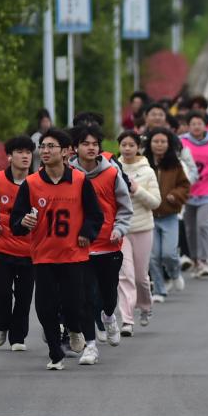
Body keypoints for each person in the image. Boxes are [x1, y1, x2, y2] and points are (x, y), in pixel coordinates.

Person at [10, 128, 104, 371]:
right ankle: (55, 353)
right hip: (43, 256)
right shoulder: (31, 183)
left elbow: (95, 214)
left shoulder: (80, 180)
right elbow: (16, 222)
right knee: (45, 307)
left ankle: (75, 328)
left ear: (65, 152)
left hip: (73, 254)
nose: (45, 151)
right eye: (42, 146)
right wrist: (23, 222)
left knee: (75, 304)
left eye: (51, 146)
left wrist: (86, 232)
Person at [74, 124, 132, 358]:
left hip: (109, 243)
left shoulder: (111, 173)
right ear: (75, 148)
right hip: (81, 246)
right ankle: (90, 346)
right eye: (85, 143)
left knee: (108, 295)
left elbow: (125, 206)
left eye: (94, 144)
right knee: (86, 297)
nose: (90, 148)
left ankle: (109, 316)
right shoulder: (70, 175)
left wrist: (119, 228)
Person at [0, 136, 36, 351]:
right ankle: (1, 325)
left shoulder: (36, 183)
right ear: (9, 156)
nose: (25, 156)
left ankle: (18, 337)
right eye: (20, 152)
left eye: (28, 152)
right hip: (0, 247)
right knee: (1, 293)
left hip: (29, 249)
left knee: (24, 296)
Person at [115, 129, 161, 329]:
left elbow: (155, 202)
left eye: (131, 145)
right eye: (123, 145)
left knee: (141, 277)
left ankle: (145, 306)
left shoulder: (147, 171)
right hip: (121, 230)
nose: (127, 149)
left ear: (138, 147)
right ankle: (127, 319)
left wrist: (137, 190)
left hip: (143, 229)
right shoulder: (113, 169)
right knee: (125, 275)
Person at [147, 128, 190, 300]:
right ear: (149, 144)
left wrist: (175, 195)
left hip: (170, 215)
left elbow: (185, 186)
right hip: (148, 216)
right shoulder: (143, 163)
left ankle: (174, 272)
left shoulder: (175, 164)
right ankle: (159, 290)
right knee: (153, 256)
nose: (159, 145)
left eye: (163, 141)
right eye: (155, 141)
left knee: (169, 254)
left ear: (169, 144)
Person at [180, 111, 208, 278]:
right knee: (190, 228)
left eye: (199, 124)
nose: (196, 127)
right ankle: (194, 259)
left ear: (205, 126)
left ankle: (204, 260)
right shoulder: (181, 142)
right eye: (193, 124)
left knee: (203, 225)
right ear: (188, 126)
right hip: (186, 192)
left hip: (207, 191)